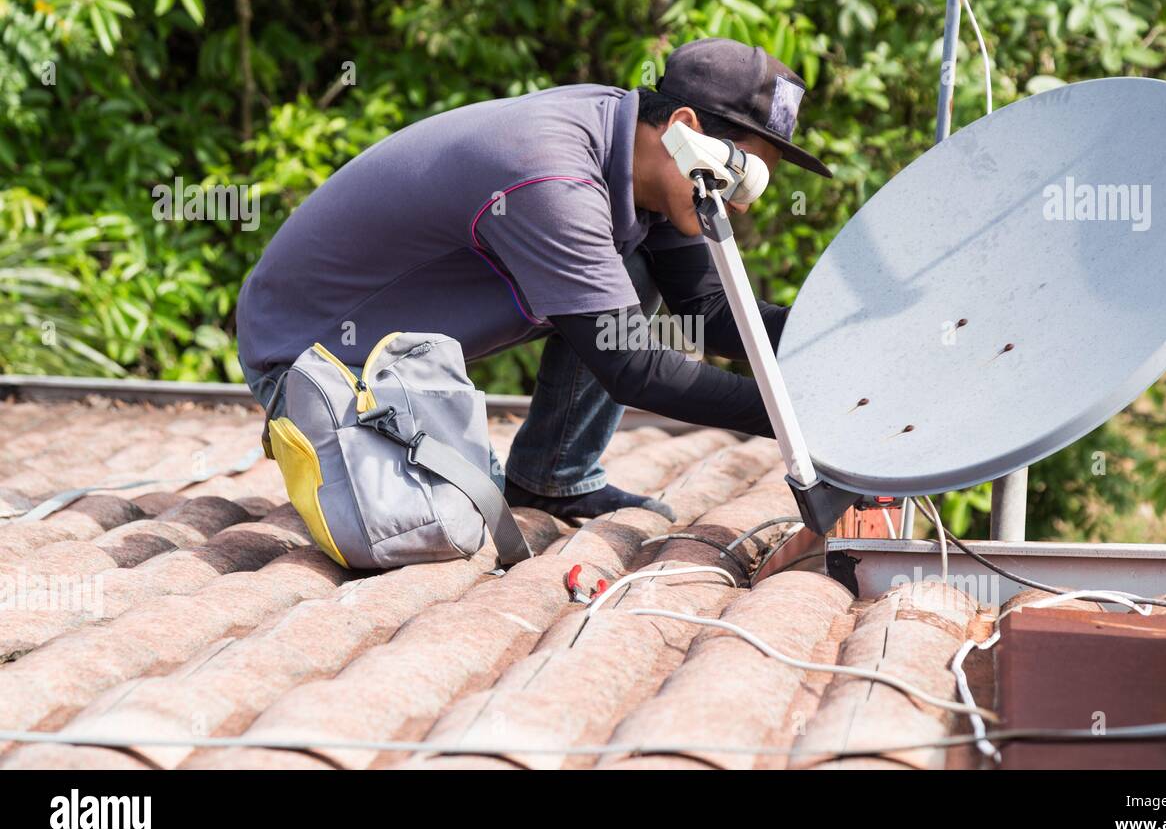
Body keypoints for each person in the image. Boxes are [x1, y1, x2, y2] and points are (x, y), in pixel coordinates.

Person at [236, 38, 831, 523]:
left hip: (382, 358)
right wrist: (806, 419)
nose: (741, 204)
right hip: (312, 368)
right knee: (437, 527)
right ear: (685, 126)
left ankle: (554, 480)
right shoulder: (553, 178)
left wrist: (838, 340)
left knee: (633, 266)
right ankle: (548, 477)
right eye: (741, 179)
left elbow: (709, 312)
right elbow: (632, 367)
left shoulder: (639, 158)